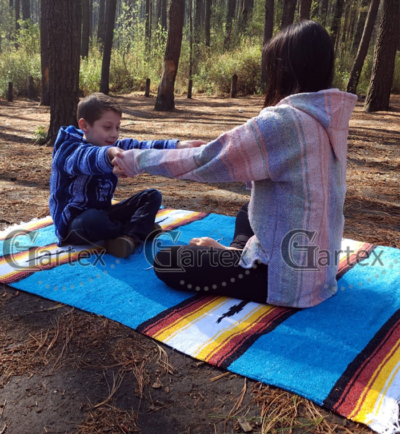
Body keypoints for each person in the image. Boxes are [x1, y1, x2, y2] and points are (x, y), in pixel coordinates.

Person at [112, 21, 358, 308]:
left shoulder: (284, 122)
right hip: (320, 265)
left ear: (285, 70)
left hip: (284, 278)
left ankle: (236, 255)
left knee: (168, 261)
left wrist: (137, 160)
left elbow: (206, 160)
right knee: (246, 209)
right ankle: (234, 250)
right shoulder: (330, 119)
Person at [49, 92, 203, 258]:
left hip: (104, 213)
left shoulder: (116, 145)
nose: (114, 134)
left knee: (151, 196)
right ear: (84, 126)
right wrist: (110, 153)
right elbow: (87, 158)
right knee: (94, 220)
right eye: (107, 127)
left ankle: (128, 238)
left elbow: (143, 147)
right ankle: (137, 229)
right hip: (74, 225)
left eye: (117, 127)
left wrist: (179, 146)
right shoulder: (68, 149)